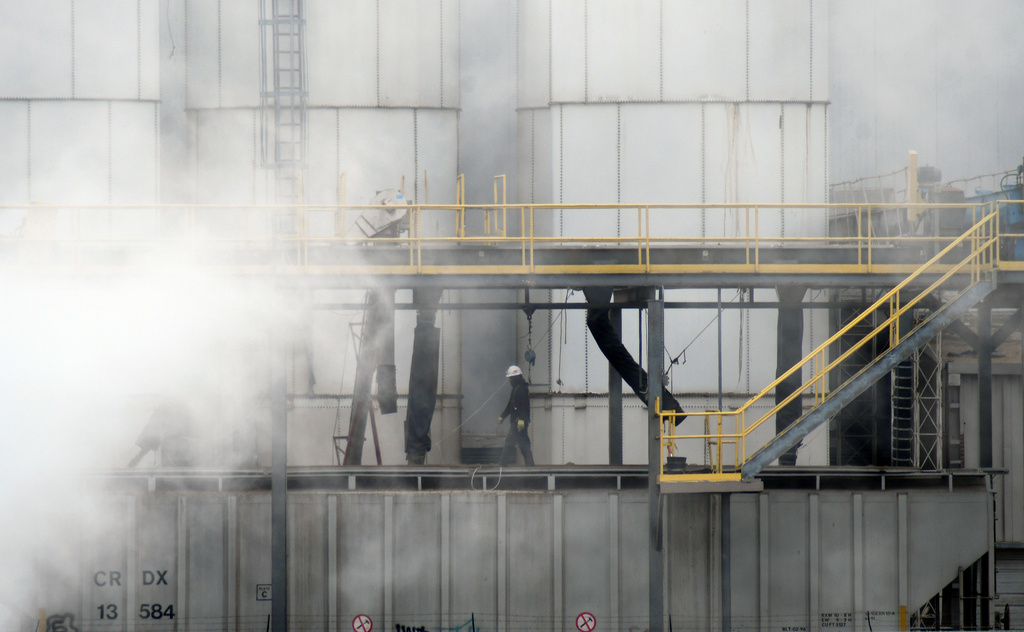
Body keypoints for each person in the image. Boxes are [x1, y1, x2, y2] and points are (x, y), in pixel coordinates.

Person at [497, 365, 535, 466]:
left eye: (510, 378)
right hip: (519, 421)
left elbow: (523, 405)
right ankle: (530, 466)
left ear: (514, 378)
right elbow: (511, 404)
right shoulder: (517, 388)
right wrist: (502, 416)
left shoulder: (521, 389)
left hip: (518, 421)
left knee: (509, 442)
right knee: (524, 445)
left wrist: (522, 419)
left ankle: (502, 464)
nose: (508, 380)